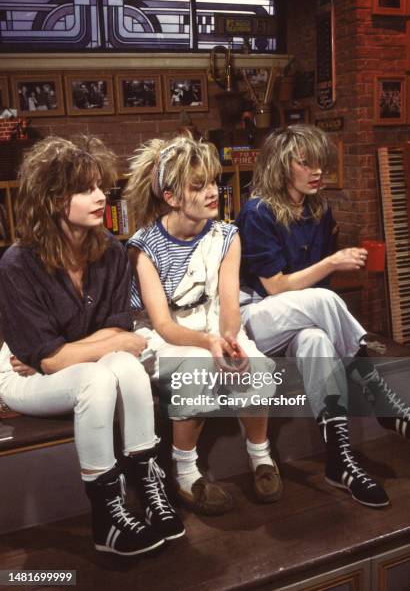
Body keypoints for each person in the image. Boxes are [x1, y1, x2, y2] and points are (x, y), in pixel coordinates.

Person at [0, 136, 184, 556]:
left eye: (101, 186)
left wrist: (84, 347)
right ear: (51, 199)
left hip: (77, 367)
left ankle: (148, 487)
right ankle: (106, 518)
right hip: (20, 378)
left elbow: (119, 333)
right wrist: (101, 344)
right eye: (85, 189)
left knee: (123, 364)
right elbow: (51, 360)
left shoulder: (112, 253)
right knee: (100, 373)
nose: (102, 196)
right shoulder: (17, 263)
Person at [236, 124, 410, 509]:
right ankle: (379, 396)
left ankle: (339, 460)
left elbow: (317, 288)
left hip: (301, 318)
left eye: (321, 164)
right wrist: (333, 261)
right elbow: (277, 287)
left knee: (316, 338)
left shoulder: (318, 208)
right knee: (321, 302)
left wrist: (329, 270)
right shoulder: (257, 212)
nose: (317, 171)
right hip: (255, 319)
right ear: (283, 166)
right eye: (306, 163)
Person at [125, 134, 282, 516]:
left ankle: (260, 455)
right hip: (166, 336)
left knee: (255, 368)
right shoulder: (143, 246)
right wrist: (208, 344)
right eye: (199, 186)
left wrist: (229, 340)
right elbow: (162, 324)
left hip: (214, 324)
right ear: (172, 196)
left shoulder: (227, 236)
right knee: (192, 374)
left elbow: (229, 303)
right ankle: (185, 474)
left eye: (213, 182)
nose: (213, 192)